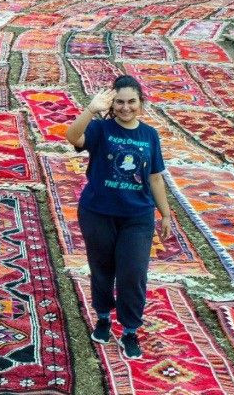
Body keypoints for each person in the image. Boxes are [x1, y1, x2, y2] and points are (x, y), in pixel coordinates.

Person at [65, 75, 172, 360]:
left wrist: (166, 214)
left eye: (131, 102)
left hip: (137, 216)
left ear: (141, 104)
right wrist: (90, 109)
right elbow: (72, 137)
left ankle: (130, 330)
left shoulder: (149, 135)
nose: (125, 108)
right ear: (112, 103)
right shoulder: (101, 129)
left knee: (133, 273)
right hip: (98, 212)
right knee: (102, 268)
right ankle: (102, 316)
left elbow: (155, 178)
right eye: (120, 102)